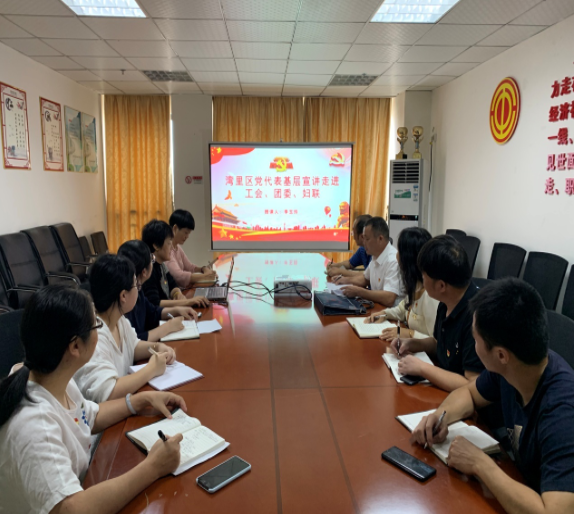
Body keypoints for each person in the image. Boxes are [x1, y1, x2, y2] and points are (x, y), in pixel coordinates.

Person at [0, 285, 185, 514]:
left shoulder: (52, 377)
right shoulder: (35, 425)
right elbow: (72, 509)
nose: (100, 329)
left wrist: (140, 400)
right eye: (96, 324)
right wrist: (154, 467)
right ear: (76, 346)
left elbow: (89, 416)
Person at [412, 279, 574, 514]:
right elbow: (469, 393)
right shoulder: (514, 366)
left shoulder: (562, 413)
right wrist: (441, 416)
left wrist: (480, 464)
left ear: (500, 355)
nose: (473, 345)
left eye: (475, 339)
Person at [74, 254, 176, 403]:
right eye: (136, 285)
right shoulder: (94, 336)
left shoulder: (119, 319)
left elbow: (133, 346)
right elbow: (108, 392)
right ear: (123, 296)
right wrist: (152, 369)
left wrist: (157, 347)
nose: (138, 289)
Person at [389, 235, 484, 392]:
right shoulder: (446, 302)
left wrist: (422, 368)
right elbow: (439, 344)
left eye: (424, 275)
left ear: (441, 286)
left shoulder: (477, 317)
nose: (421, 279)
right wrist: (412, 344)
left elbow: (472, 385)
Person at [118, 240, 206, 341]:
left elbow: (153, 311)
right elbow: (133, 342)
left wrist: (177, 310)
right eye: (151, 259)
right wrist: (168, 327)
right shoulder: (128, 298)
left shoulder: (138, 288)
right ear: (144, 272)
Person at [365, 227, 438, 341]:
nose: (396, 255)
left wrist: (410, 334)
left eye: (399, 251)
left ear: (409, 257)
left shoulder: (431, 295)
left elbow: (437, 342)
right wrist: (384, 314)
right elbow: (402, 310)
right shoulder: (416, 284)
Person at [334, 217, 404, 307]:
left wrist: (360, 292)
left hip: (391, 312)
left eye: (367, 239)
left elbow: (389, 298)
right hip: (378, 308)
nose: (364, 242)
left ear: (380, 239)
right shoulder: (376, 255)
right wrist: (344, 280)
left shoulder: (393, 260)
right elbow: (365, 279)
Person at [141, 219, 207, 308]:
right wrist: (188, 302)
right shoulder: (148, 269)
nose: (171, 248)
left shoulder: (162, 265)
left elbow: (172, 285)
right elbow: (155, 303)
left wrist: (177, 294)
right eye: (169, 243)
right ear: (156, 245)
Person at [165, 209, 217, 288]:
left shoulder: (177, 247)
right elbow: (179, 276)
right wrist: (206, 276)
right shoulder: (167, 250)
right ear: (175, 228)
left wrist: (203, 269)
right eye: (186, 232)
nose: (187, 236)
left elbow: (190, 267)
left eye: (189, 233)